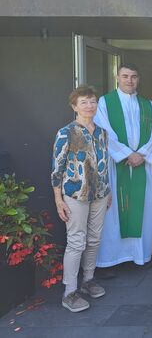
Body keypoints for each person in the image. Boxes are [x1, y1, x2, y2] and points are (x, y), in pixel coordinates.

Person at [51, 86, 111, 312]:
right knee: (76, 241)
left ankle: (88, 280)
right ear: (74, 106)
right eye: (84, 102)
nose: (89, 106)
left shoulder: (102, 132)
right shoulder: (66, 132)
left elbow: (105, 164)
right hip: (75, 193)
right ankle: (70, 292)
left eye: (93, 102)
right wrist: (59, 199)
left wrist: (109, 191)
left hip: (99, 193)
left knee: (94, 239)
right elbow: (56, 168)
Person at [94, 64, 152, 269]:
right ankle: (113, 258)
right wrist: (126, 154)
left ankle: (139, 255)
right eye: (125, 76)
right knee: (114, 213)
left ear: (138, 79)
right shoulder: (105, 103)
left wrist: (142, 155)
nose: (129, 80)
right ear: (117, 77)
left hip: (142, 164)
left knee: (143, 211)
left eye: (133, 76)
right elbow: (103, 131)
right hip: (117, 166)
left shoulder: (148, 105)